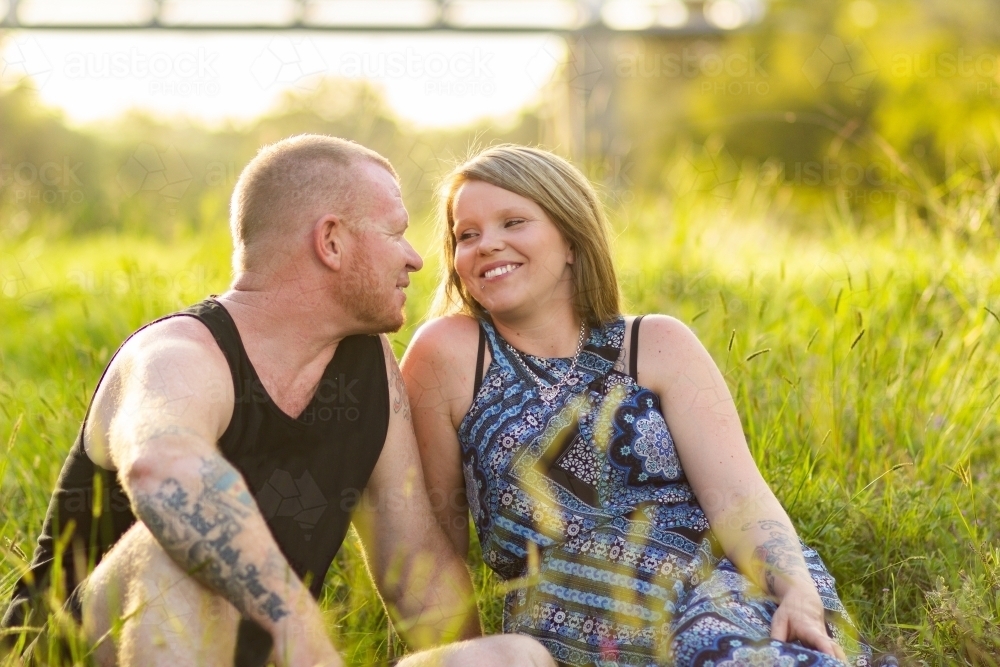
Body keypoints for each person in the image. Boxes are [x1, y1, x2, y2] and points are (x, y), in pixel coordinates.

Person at [1, 135, 555, 667]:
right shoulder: (179, 353)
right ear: (331, 241)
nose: (415, 258)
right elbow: (162, 470)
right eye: (395, 233)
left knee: (512, 657)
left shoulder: (365, 363)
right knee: (175, 553)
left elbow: (415, 568)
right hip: (72, 652)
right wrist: (297, 624)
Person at [401, 145, 878, 666]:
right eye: (466, 235)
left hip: (720, 593)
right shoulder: (446, 354)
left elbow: (739, 497)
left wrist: (799, 592)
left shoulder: (657, 344)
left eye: (512, 222)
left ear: (571, 240)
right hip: (573, 630)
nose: (487, 244)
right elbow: (435, 540)